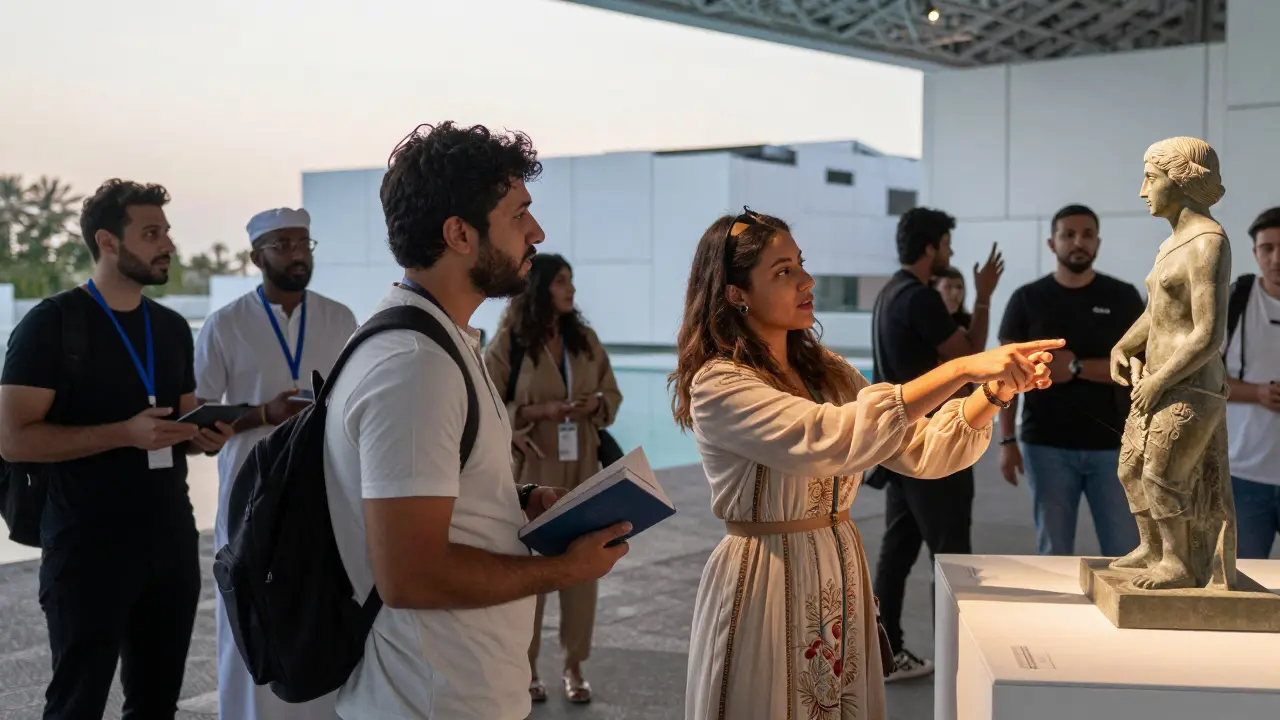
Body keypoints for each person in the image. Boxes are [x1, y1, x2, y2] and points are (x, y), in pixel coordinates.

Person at [672, 206, 1059, 720]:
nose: (806, 281)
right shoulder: (720, 383)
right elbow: (827, 438)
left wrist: (993, 392)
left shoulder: (825, 370)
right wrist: (961, 368)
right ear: (735, 293)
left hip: (838, 573)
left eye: (801, 263)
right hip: (766, 578)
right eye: (783, 271)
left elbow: (918, 448)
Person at [321, 122, 631, 720]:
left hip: (454, 689)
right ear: (459, 234)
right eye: (519, 215)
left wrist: (517, 498)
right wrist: (563, 569)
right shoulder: (415, 366)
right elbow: (412, 576)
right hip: (433, 699)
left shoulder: (440, 343)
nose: (537, 233)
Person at [0, 179, 232, 719]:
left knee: (156, 705)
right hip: (86, 544)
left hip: (169, 539)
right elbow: (13, 440)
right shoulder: (52, 323)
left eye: (166, 232)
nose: (167, 245)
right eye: (151, 233)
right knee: (76, 703)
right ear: (107, 241)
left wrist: (204, 435)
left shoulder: (170, 328)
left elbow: (178, 419)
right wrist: (124, 433)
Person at [194, 207, 357, 719]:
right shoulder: (225, 324)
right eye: (283, 245)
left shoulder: (340, 318)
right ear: (256, 257)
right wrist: (263, 414)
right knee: (248, 611)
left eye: (303, 243)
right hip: (250, 496)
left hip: (324, 490)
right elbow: (198, 421)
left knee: (321, 604)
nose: (297, 254)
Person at [869, 207, 1002, 682]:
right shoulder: (921, 297)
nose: (951, 251)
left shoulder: (889, 293)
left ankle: (886, 654)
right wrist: (983, 298)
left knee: (898, 551)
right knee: (951, 555)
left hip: (898, 447)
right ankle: (957, 664)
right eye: (946, 243)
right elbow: (971, 361)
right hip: (933, 447)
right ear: (931, 247)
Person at [483, 252, 623, 703]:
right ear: (539, 288)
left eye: (571, 280)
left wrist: (594, 404)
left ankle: (574, 665)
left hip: (582, 466)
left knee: (585, 568)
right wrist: (535, 413)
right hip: (534, 469)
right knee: (531, 571)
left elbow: (612, 395)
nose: (571, 289)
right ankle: (525, 667)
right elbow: (486, 406)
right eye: (562, 281)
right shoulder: (509, 344)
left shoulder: (584, 340)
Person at [1109, 137, 1233, 590]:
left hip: (1190, 383)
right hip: (1158, 382)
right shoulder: (1171, 244)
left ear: (1180, 181)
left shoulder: (1208, 243)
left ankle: (1178, 563)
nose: (1143, 191)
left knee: (1162, 477)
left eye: (1151, 178)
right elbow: (1157, 312)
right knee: (1129, 470)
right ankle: (1153, 548)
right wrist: (1123, 346)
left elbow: (1208, 333)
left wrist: (1160, 379)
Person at [997, 204, 1145, 558]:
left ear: (1098, 243)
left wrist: (1076, 367)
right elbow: (1005, 377)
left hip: (1114, 446)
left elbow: (1142, 367)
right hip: (1046, 445)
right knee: (1054, 552)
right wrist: (1007, 440)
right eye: (1069, 235)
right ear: (1052, 243)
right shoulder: (1027, 299)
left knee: (1125, 552)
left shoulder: (1123, 297)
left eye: (1087, 235)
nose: (1079, 242)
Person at [1222, 207, 1280, 559]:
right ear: (1255, 253)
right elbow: (1203, 380)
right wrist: (1258, 393)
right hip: (1242, 474)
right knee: (1240, 577)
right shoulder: (1235, 300)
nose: (1276, 259)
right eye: (1267, 248)